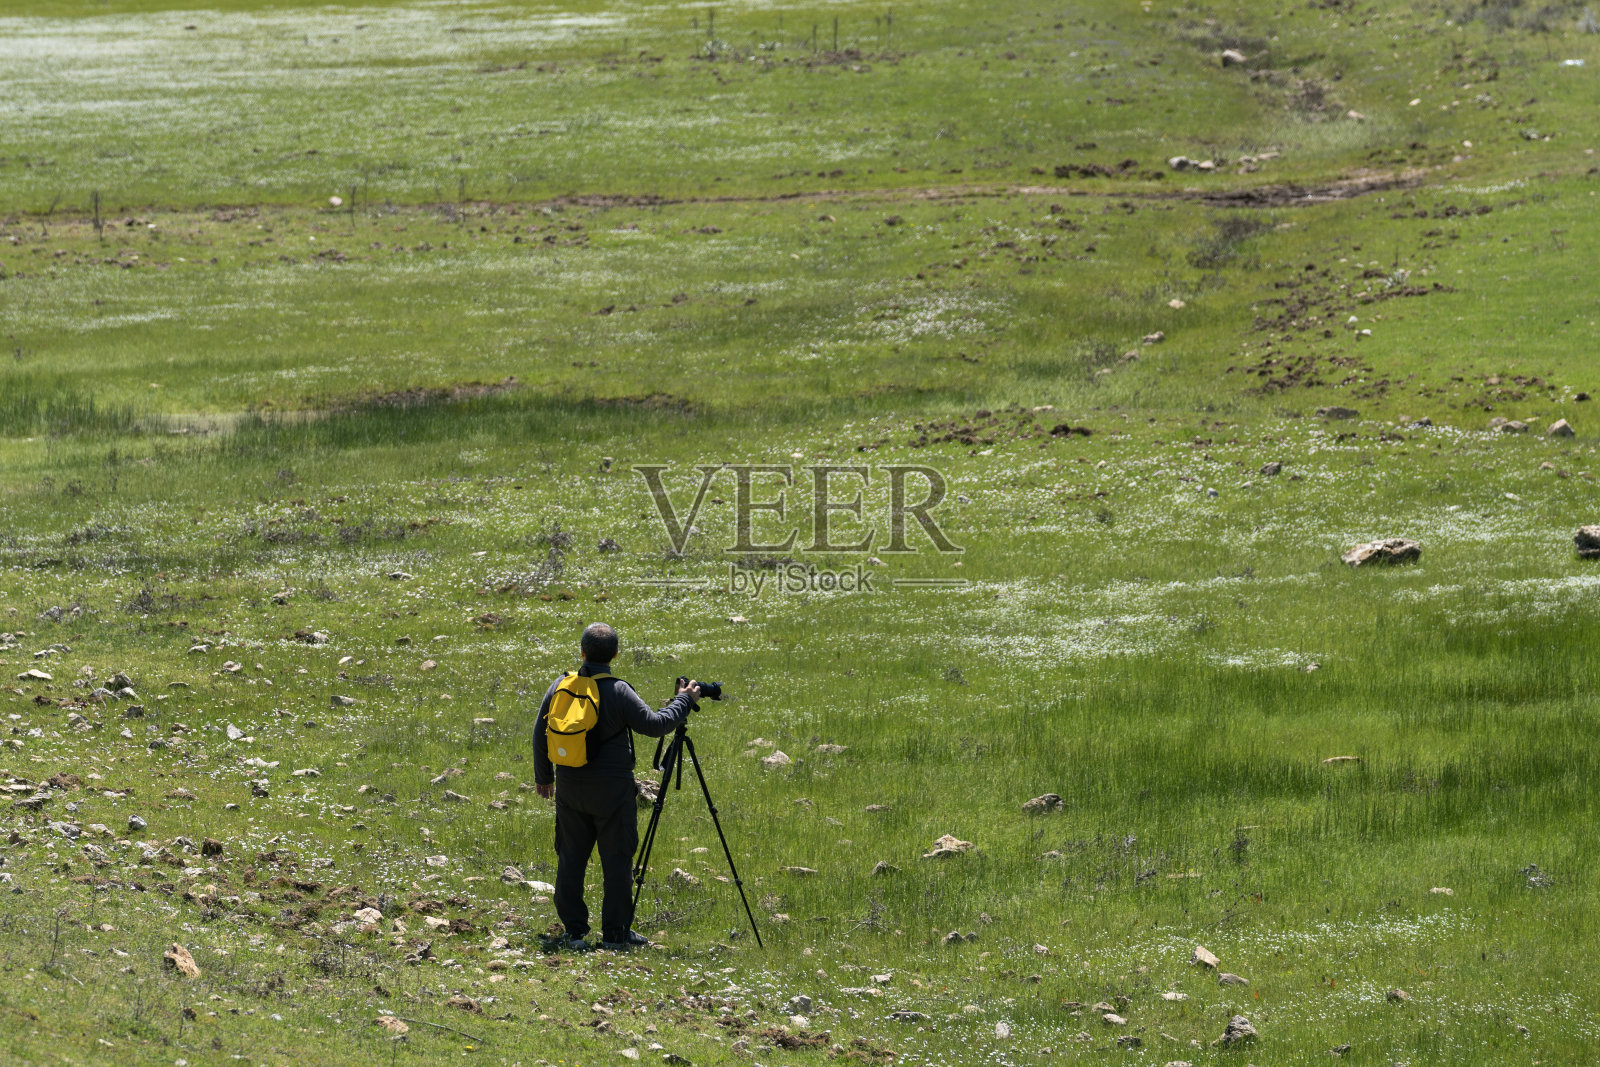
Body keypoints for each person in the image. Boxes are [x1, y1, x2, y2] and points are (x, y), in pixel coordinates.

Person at [533, 622, 701, 950]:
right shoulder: (619, 690)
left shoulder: (560, 685)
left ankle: (574, 931)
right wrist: (683, 701)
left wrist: (544, 778)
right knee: (617, 860)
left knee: (570, 858)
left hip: (569, 788)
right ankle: (616, 933)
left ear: (582, 652)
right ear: (615, 655)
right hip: (612, 792)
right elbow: (655, 726)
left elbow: (540, 732)